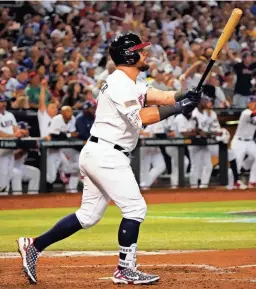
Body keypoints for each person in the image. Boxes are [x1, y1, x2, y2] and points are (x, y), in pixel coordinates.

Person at [16, 33, 201, 285]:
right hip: (106, 155)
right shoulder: (119, 83)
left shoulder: (128, 81)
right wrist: (179, 108)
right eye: (141, 50)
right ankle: (125, 269)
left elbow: (153, 94)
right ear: (129, 55)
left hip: (102, 152)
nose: (146, 54)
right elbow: (139, 119)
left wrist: (182, 95)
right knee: (135, 208)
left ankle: (33, 246)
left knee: (88, 216)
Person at [0, 95, 25, 195]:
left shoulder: (9, 115)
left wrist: (19, 132)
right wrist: (13, 135)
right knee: (2, 174)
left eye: (4, 102)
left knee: (9, 174)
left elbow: (15, 127)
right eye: (1, 102)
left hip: (10, 148)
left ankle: (6, 200)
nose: (3, 104)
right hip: (1, 148)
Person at [231, 95, 256, 187]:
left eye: (255, 102)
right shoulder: (246, 112)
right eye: (252, 102)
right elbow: (252, 115)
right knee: (236, 164)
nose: (254, 104)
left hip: (250, 142)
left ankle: (252, 181)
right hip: (239, 142)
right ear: (248, 104)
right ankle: (234, 183)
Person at [11, 121, 40, 195]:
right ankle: (17, 198)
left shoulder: (28, 139)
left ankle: (32, 197)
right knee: (17, 174)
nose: (27, 131)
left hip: (20, 166)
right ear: (18, 129)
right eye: (25, 129)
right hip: (9, 167)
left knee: (35, 172)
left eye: (27, 129)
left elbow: (39, 147)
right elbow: (13, 157)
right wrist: (23, 150)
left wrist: (36, 147)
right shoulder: (12, 138)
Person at [139, 121, 166, 190]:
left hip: (154, 146)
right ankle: (144, 187)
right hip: (143, 147)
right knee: (144, 168)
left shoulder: (156, 121)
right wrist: (146, 133)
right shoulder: (137, 120)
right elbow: (136, 133)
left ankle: (146, 184)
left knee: (161, 166)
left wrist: (147, 134)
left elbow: (159, 134)